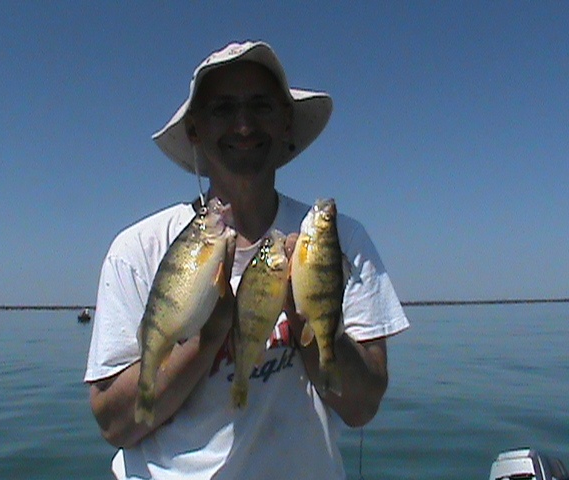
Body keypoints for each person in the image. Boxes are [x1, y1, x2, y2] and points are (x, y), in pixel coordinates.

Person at [84, 40, 409, 480]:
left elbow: (363, 405)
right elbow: (113, 422)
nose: (243, 125)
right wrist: (208, 338)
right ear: (195, 129)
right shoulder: (138, 249)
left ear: (285, 122)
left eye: (261, 106)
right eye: (222, 109)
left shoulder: (336, 239)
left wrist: (307, 321)